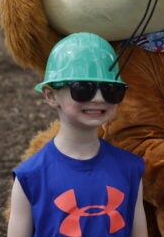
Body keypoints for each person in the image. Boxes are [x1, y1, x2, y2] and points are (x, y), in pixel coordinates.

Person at [8, 32, 148, 237]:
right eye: (83, 88)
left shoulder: (130, 169)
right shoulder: (31, 176)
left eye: (111, 90)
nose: (99, 98)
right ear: (51, 95)